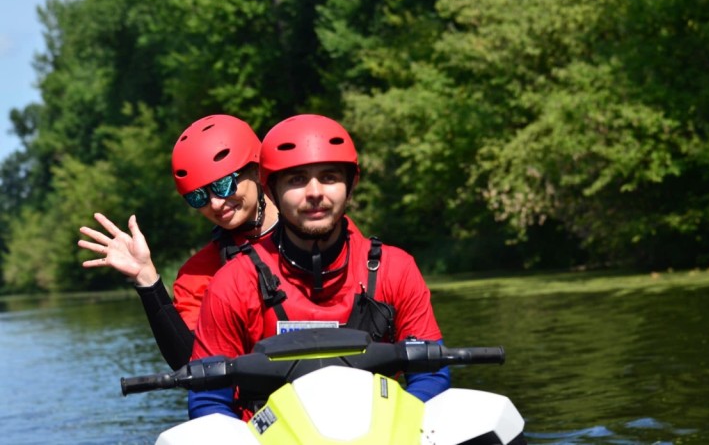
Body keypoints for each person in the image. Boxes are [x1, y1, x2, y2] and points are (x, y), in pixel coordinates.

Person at [188, 114, 451, 420]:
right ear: (271, 191)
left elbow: (430, 377)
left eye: (329, 177)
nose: (314, 193)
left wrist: (397, 428)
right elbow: (209, 402)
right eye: (297, 179)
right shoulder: (231, 283)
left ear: (351, 186)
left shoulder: (396, 269)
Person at [77, 114, 279, 369]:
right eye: (198, 197)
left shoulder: (322, 233)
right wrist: (147, 279)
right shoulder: (197, 275)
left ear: (257, 169)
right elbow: (189, 364)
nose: (215, 204)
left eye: (223, 184)